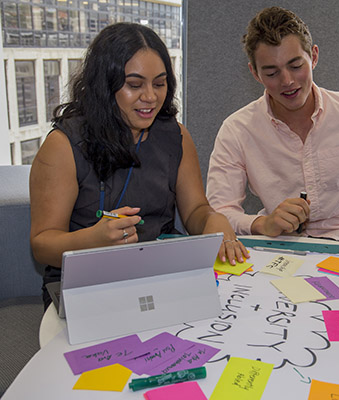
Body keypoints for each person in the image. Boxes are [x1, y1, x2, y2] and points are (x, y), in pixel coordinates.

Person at [30, 22, 248, 310]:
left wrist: (212, 220)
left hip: (158, 276)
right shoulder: (63, 145)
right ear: (105, 86)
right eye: (134, 85)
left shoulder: (176, 136)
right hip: (85, 286)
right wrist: (93, 240)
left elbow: (195, 210)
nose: (150, 97)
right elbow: (42, 244)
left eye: (159, 83)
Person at [206, 6, 339, 242]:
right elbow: (218, 213)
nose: (287, 81)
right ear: (255, 73)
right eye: (271, 73)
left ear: (313, 56)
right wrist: (264, 223)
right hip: (278, 244)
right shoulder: (237, 130)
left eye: (295, 66)